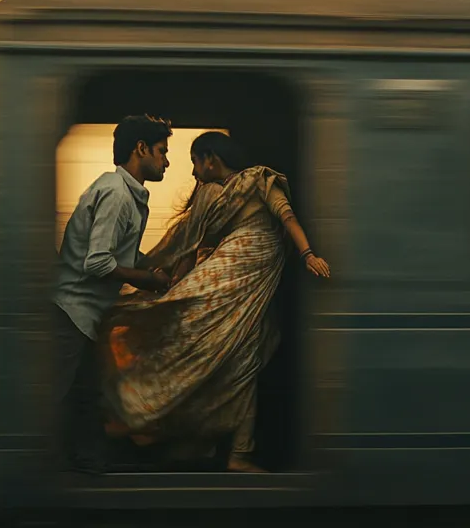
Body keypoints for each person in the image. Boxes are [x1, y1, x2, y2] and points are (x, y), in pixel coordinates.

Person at [98, 131, 330, 473]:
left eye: (195, 162)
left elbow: (287, 217)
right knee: (183, 325)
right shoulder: (211, 197)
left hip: (253, 288)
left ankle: (239, 454)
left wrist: (308, 254)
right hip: (226, 279)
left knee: (245, 365)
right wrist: (171, 286)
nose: (193, 171)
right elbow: (190, 246)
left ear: (211, 159)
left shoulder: (257, 180)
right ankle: (138, 410)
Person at [51, 114, 173, 473]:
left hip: (83, 314)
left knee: (86, 392)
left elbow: (124, 255)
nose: (167, 161)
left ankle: (84, 465)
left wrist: (158, 264)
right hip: (72, 311)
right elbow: (98, 262)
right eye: (162, 151)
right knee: (59, 393)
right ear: (141, 149)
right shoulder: (118, 195)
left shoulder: (126, 193)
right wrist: (147, 279)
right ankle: (43, 469)